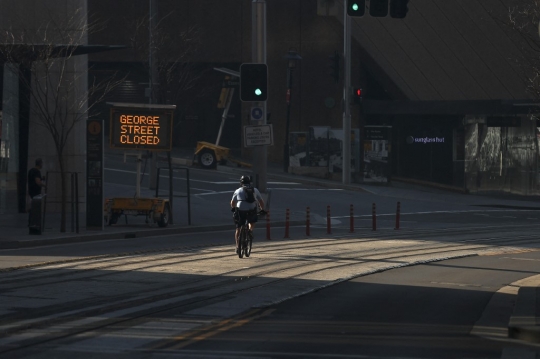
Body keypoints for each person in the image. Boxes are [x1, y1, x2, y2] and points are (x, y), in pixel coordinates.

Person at [231, 175, 265, 254]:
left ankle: (237, 247)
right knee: (252, 221)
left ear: (241, 183)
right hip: (251, 209)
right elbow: (261, 201)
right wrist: (262, 209)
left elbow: (232, 202)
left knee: (238, 229)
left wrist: (233, 208)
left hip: (241, 210)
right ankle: (250, 230)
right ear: (249, 182)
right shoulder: (255, 190)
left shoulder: (238, 190)